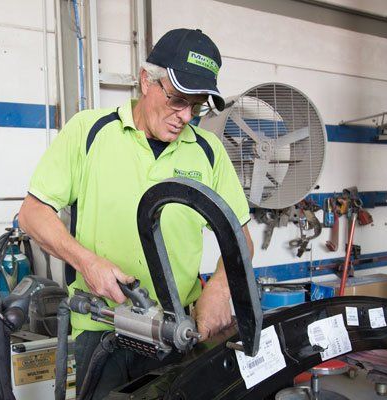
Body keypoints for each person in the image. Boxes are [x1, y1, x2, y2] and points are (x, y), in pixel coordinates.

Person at [18, 28, 253, 399]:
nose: (185, 116)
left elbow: (239, 238)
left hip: (177, 329)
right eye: (177, 100)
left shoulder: (208, 151)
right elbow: (32, 214)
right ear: (147, 80)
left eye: (197, 105)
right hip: (100, 328)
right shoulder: (89, 132)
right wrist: (87, 262)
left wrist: (222, 290)